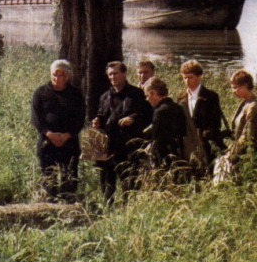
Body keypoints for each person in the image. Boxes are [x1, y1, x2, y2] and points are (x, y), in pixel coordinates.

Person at [92, 61, 152, 201]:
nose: (113, 77)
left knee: (129, 184)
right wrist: (97, 120)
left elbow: (147, 116)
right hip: (108, 146)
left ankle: (128, 208)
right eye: (110, 74)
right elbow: (101, 114)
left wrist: (133, 118)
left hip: (128, 146)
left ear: (124, 74)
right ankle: (108, 208)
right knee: (106, 183)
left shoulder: (137, 94)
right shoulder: (105, 96)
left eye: (116, 73)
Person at [30, 59, 86, 202]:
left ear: (67, 76)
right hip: (47, 142)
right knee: (49, 179)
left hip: (69, 142)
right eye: (54, 74)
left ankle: (69, 207)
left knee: (69, 179)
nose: (56, 78)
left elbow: (80, 118)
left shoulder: (75, 94)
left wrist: (67, 135)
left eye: (60, 75)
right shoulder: (40, 93)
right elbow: (36, 118)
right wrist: (49, 134)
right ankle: (49, 205)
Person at [213, 69, 257, 184]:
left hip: (243, 154)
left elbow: (249, 136)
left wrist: (232, 153)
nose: (233, 91)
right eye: (232, 88)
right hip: (237, 151)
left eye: (236, 87)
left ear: (245, 85)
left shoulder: (253, 106)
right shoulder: (245, 103)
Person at [177, 59, 225, 174]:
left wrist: (206, 134)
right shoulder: (181, 96)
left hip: (204, 143)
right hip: (187, 142)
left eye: (190, 77)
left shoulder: (210, 96)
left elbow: (215, 121)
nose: (187, 81)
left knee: (207, 172)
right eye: (185, 78)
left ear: (199, 76)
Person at [143, 76, 186, 165]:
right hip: (179, 153)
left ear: (153, 93)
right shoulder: (178, 107)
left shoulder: (159, 112)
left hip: (164, 158)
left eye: (147, 95)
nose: (147, 99)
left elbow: (157, 140)